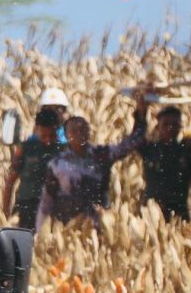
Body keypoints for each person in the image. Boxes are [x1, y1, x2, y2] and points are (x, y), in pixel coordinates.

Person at [119, 93, 190, 221]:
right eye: (166, 124)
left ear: (181, 127)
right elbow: (135, 139)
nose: (171, 128)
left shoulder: (186, 150)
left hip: (179, 215)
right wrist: (141, 113)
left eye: (175, 124)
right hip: (150, 214)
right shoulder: (150, 148)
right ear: (158, 127)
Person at [41, 113, 119, 228]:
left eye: (82, 130)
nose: (79, 134)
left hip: (93, 220)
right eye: (74, 131)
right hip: (67, 220)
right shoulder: (58, 160)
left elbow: (103, 192)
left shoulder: (98, 157)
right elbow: (48, 198)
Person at [4, 93, 66, 231]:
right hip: (26, 210)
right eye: (44, 136)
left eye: (52, 135)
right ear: (37, 129)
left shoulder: (64, 151)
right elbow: (10, 181)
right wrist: (6, 213)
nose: (48, 140)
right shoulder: (25, 148)